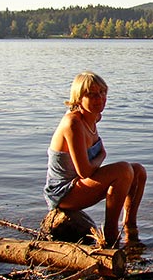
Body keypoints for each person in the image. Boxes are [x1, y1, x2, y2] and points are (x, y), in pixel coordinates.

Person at [43, 71, 146, 248]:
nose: (100, 98)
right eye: (91, 94)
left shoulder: (94, 117)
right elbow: (85, 171)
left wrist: (100, 158)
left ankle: (130, 226)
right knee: (123, 170)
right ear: (78, 98)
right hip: (63, 193)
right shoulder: (73, 123)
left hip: (79, 184)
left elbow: (89, 167)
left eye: (102, 92)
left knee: (138, 171)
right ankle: (111, 232)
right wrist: (102, 155)